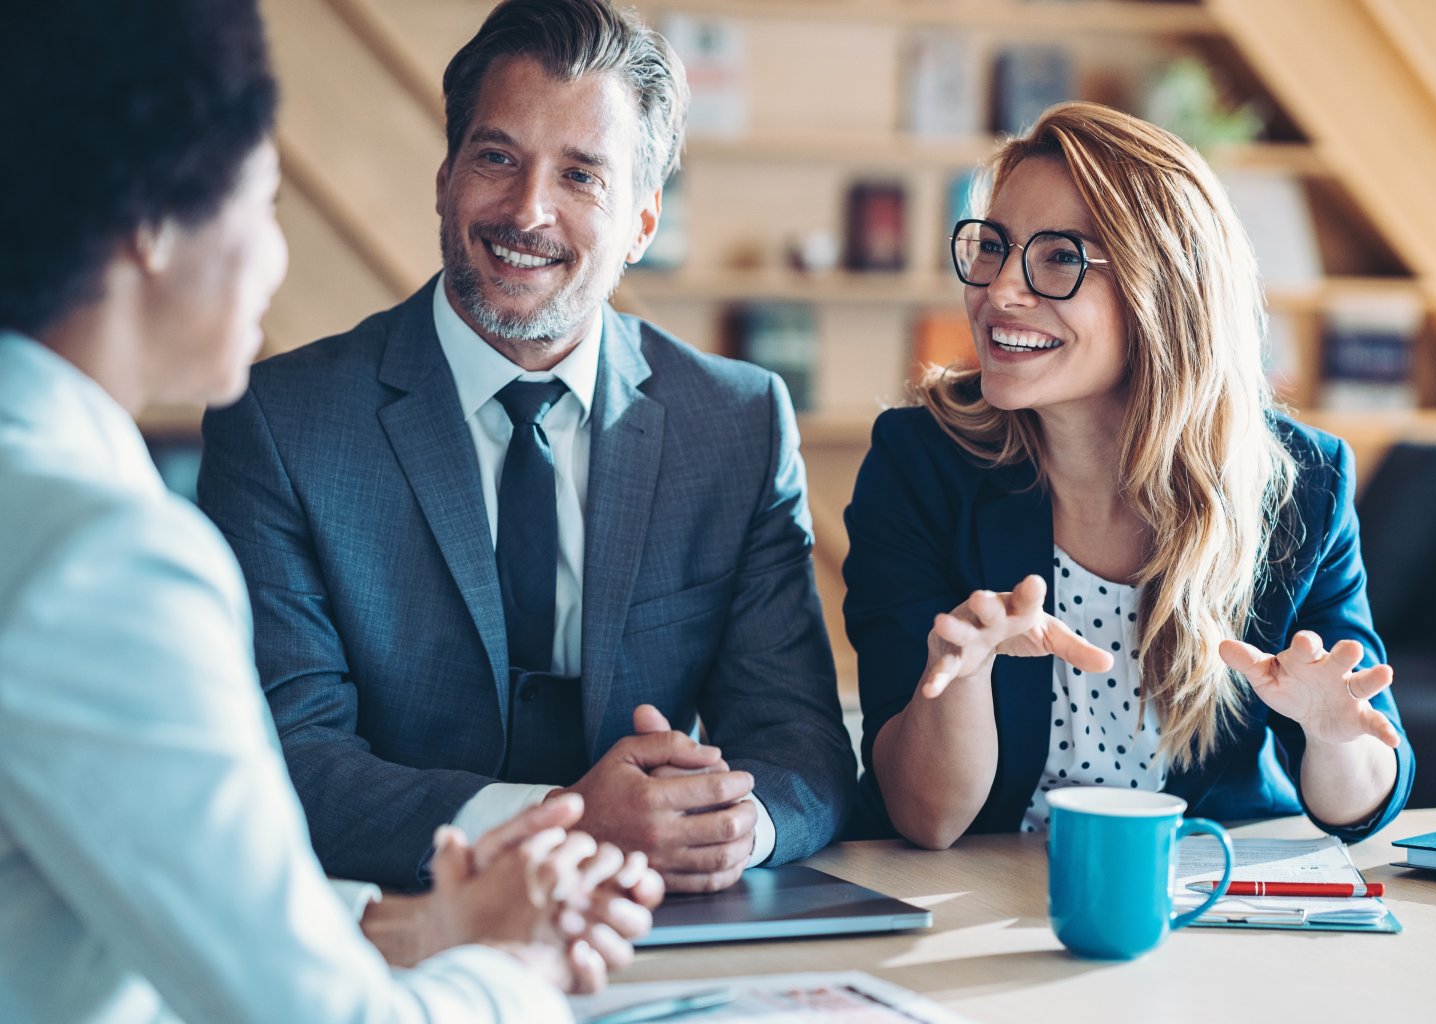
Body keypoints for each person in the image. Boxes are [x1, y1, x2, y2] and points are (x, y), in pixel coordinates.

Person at [0, 2, 660, 1021]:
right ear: (152, 223)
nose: (274, 258)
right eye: (263, 204)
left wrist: (415, 927)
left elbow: (123, 886)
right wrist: (514, 966)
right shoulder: (102, 559)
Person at [197, 0, 855, 894]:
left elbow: (801, 744)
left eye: (582, 176)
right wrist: (570, 822)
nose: (527, 210)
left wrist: (739, 828)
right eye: (496, 157)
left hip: (662, 926)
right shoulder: (278, 424)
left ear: (642, 224)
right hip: (392, 925)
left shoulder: (736, 423)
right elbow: (289, 760)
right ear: (445, 176)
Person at [843, 102, 1414, 849]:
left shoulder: (1302, 481)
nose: (998, 291)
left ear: (1163, 294)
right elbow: (927, 819)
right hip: (978, 889)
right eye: (993, 247)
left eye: (1057, 257)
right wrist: (962, 678)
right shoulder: (919, 462)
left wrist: (1332, 733)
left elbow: (1361, 804)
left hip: (1209, 890)